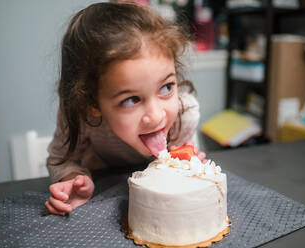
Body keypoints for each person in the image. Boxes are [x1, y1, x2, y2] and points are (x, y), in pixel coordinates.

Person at [45, 2, 205, 216]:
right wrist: (72, 181)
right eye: (131, 100)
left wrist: (188, 168)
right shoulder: (79, 116)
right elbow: (61, 159)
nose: (156, 116)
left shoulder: (183, 115)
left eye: (166, 87)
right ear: (92, 104)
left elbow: (183, 164)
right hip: (103, 180)